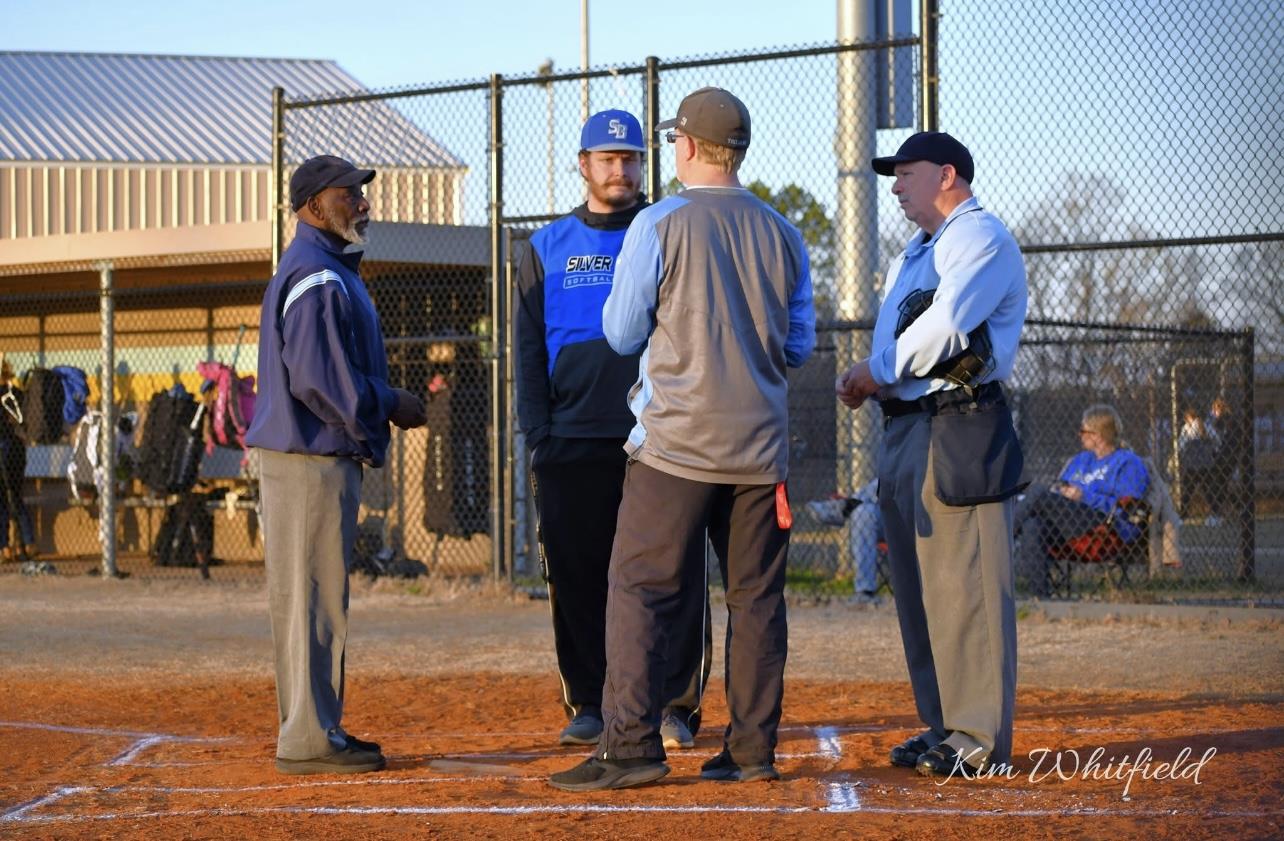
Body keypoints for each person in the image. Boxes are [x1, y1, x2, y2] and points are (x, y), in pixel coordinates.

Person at [549, 87, 816, 792]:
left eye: (673, 140)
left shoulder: (658, 222)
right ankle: (751, 750)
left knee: (640, 588)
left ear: (689, 146)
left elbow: (621, 332)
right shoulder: (784, 232)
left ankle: (631, 746)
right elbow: (798, 345)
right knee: (755, 600)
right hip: (760, 450)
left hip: (675, 447)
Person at [515, 110, 711, 751]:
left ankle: (673, 704)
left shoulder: (667, 229)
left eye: (630, 158)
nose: (621, 169)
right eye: (608, 158)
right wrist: (539, 435)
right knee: (577, 575)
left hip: (658, 436)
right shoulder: (545, 246)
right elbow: (527, 351)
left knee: (672, 571)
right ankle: (591, 701)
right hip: (571, 438)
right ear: (584, 165)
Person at [836, 131, 1027, 778]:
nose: (894, 186)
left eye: (906, 172)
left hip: (959, 423)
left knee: (965, 587)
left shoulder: (979, 236)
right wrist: (874, 379)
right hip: (904, 426)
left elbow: (947, 328)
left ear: (948, 175)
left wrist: (874, 370)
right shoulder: (913, 254)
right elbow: (897, 344)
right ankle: (944, 723)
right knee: (920, 592)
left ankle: (978, 735)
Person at [245, 155, 427, 775]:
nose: (363, 202)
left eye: (359, 193)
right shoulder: (316, 275)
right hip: (307, 458)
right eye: (349, 194)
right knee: (310, 600)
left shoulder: (325, 269)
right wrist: (389, 403)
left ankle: (316, 728)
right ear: (313, 206)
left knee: (314, 600)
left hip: (310, 456)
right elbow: (320, 380)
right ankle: (307, 738)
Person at [1014, 404, 1150, 594]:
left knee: (1038, 493)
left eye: (1083, 431)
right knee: (1033, 525)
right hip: (1070, 521)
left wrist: (1084, 496)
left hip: (1104, 524)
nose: (1080, 435)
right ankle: (1040, 597)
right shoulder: (1081, 460)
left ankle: (1001, 538)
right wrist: (1063, 492)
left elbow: (1129, 507)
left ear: (1098, 435)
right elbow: (1061, 486)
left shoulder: (1128, 462)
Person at [806, 479, 882, 603]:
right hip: (893, 516)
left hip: (913, 520)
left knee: (891, 474)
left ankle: (845, 507)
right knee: (863, 512)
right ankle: (865, 591)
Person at [0, 361, 36, 563]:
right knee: (15, 497)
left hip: (6, 449)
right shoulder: (16, 393)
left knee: (3, 501)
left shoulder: (8, 394)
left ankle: (5, 546)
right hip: (17, 451)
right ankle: (27, 543)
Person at [1178, 405, 1219, 523]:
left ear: (1188, 418)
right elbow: (1216, 441)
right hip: (1205, 464)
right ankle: (1215, 515)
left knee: (1187, 491)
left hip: (1191, 464)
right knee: (1208, 491)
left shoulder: (1186, 428)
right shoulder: (1206, 426)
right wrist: (1211, 450)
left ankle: (1182, 516)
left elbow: (1181, 446)